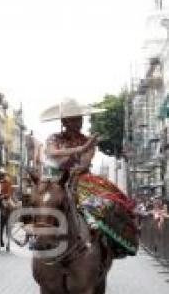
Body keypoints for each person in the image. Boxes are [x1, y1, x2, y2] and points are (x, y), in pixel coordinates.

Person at [41, 100, 138, 257]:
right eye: (73, 118)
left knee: (107, 205)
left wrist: (76, 154)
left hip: (81, 179)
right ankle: (37, 236)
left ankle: (111, 245)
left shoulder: (88, 140)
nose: (78, 121)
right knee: (41, 202)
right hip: (55, 179)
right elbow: (52, 153)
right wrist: (80, 149)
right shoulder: (54, 138)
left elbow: (83, 163)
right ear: (64, 121)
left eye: (79, 118)